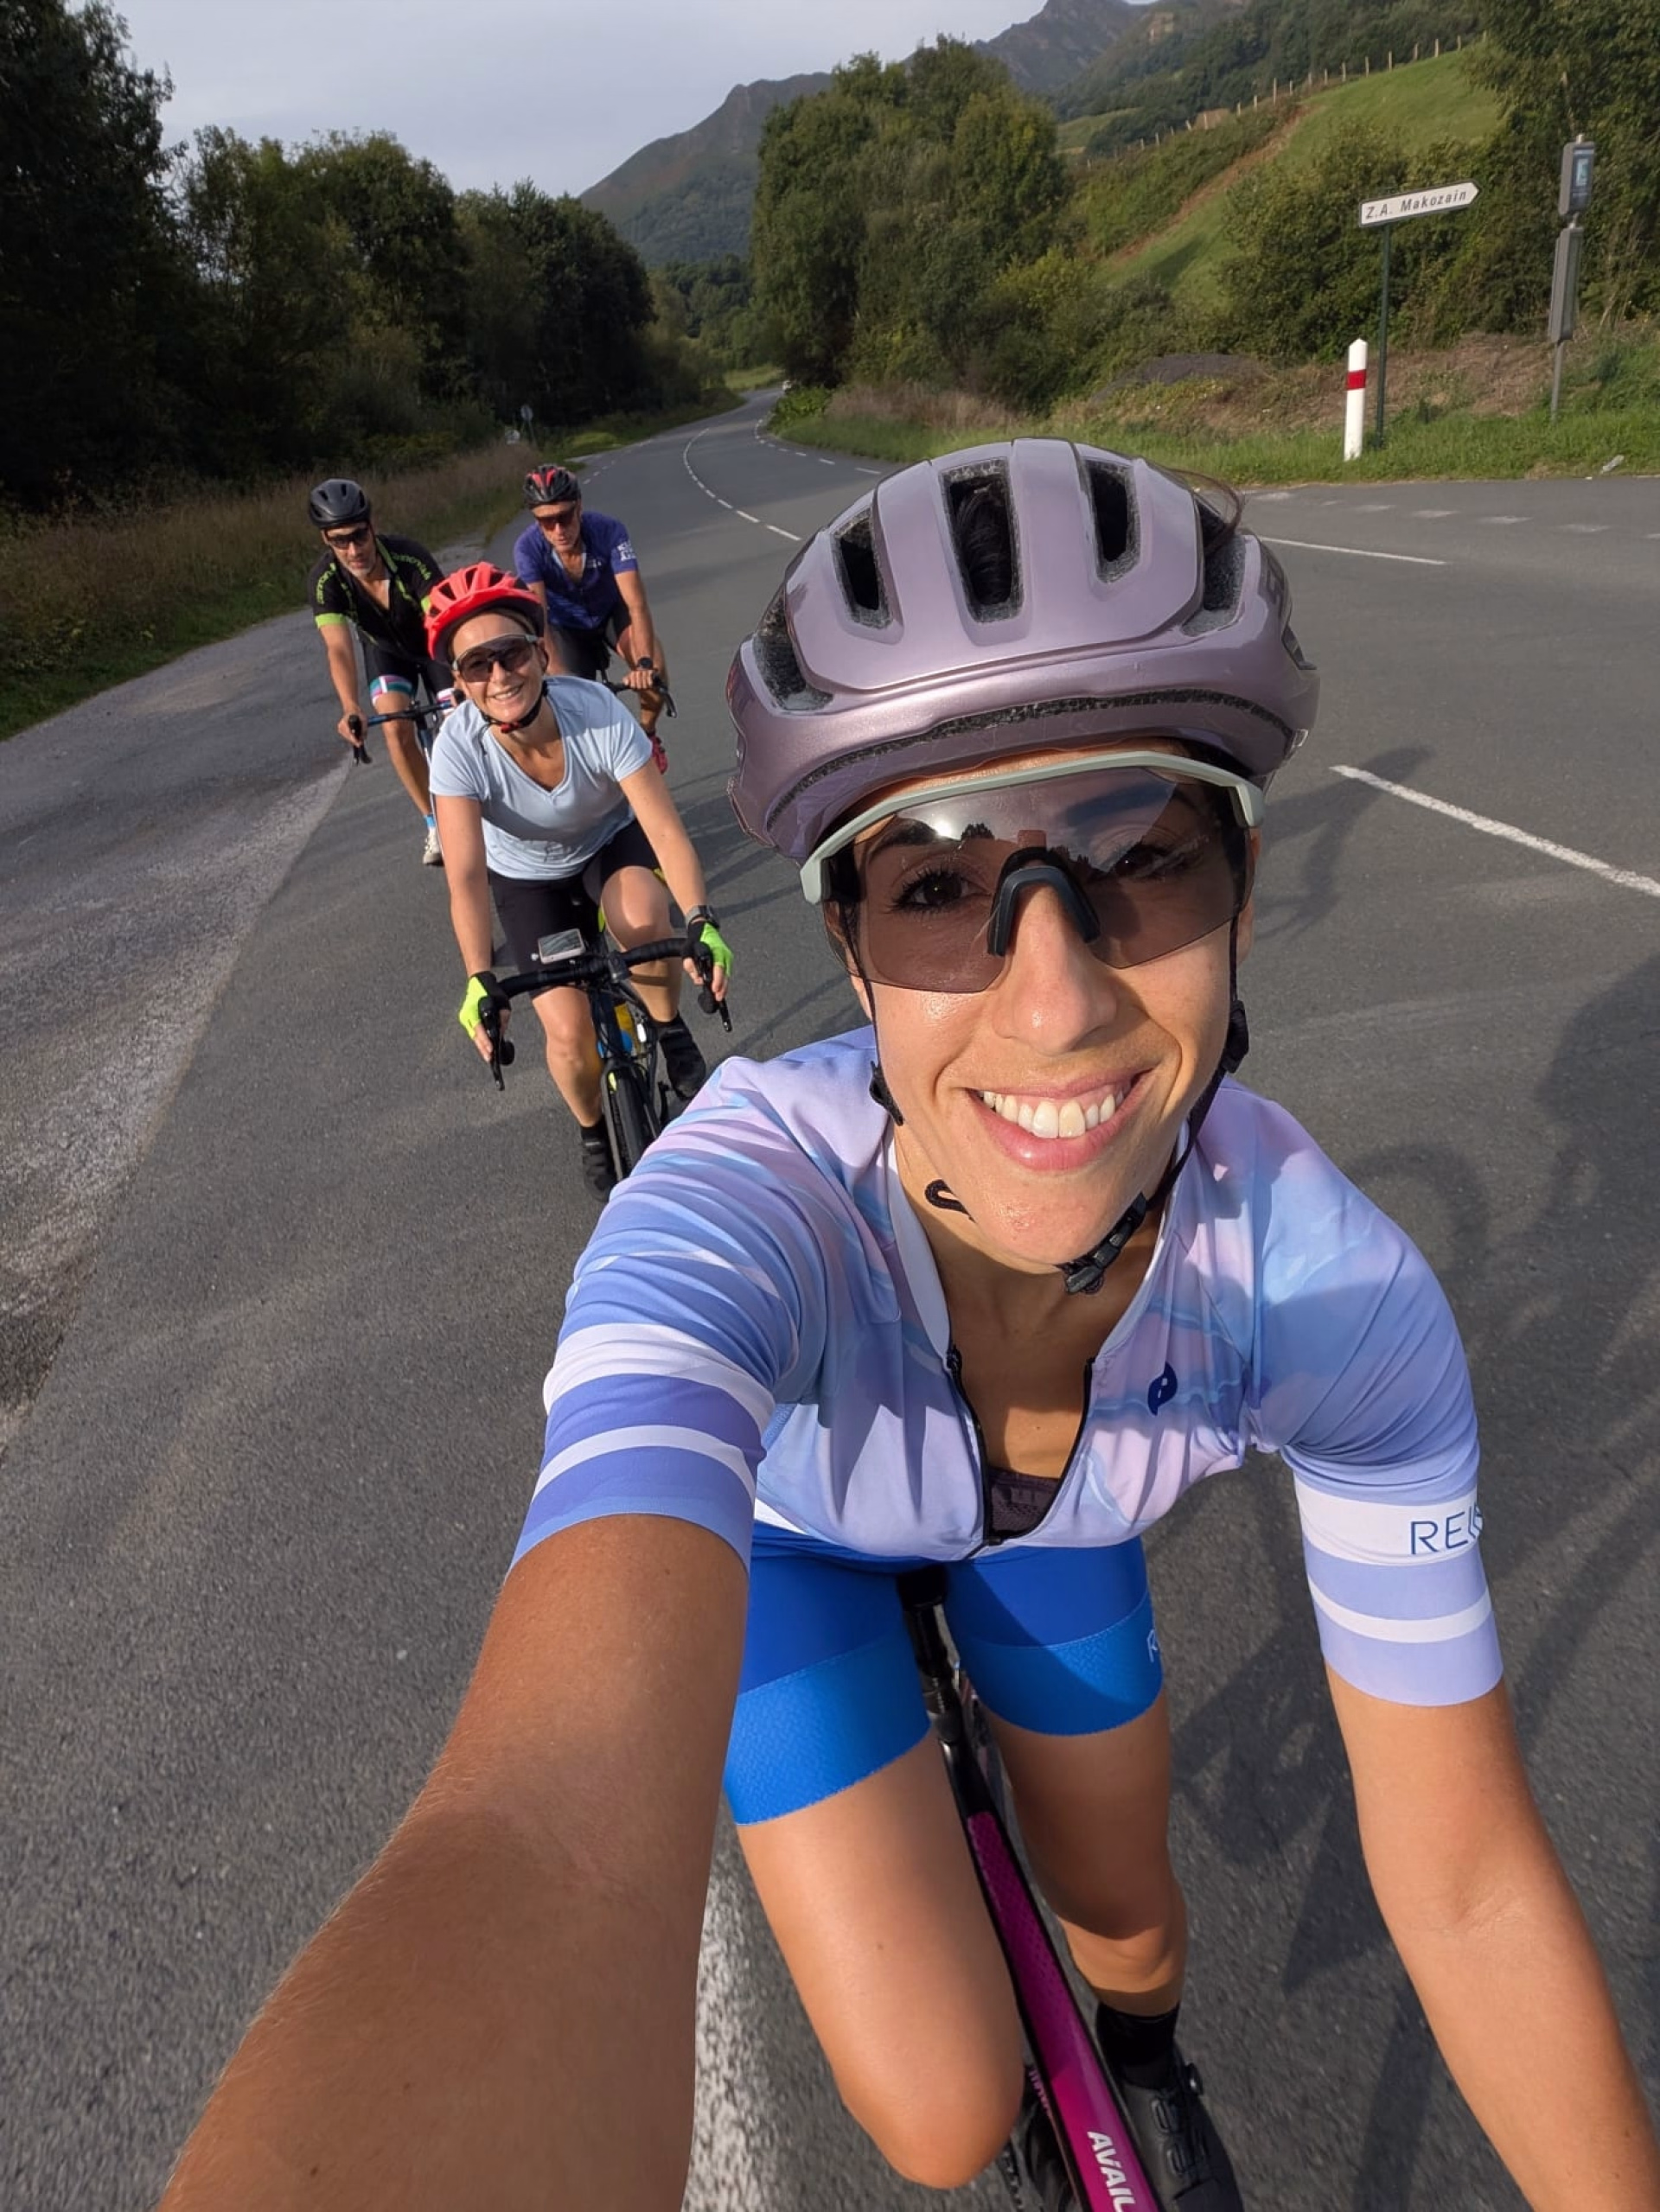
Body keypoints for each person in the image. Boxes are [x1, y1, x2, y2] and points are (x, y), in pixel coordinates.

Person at [159, 447, 1660, 2211]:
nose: (1057, 996)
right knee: (945, 2114)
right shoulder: (737, 1210)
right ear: (852, 950)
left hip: (1058, 1526)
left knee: (1135, 1931)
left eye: (1142, 858)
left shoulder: (1333, 1291)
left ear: (1245, 893)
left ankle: (1148, 2047)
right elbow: (544, 1833)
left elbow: (1471, 1879)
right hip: (793, 1546)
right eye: (940, 884)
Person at [421, 562, 731, 1195]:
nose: (500, 675)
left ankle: (669, 1026)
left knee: (645, 917)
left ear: (540, 651)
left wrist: (701, 918)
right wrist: (480, 979)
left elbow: (665, 831)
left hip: (607, 843)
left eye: (510, 653)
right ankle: (594, 1127)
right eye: (478, 665)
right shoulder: (457, 748)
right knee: (568, 1035)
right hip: (527, 879)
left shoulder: (594, 711)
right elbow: (468, 878)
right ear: (459, 681)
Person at [307, 476, 450, 865]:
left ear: (372, 526)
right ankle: (434, 823)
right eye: (340, 540)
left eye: (359, 535)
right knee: (394, 728)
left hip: (432, 644)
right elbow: (338, 648)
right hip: (386, 652)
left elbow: (442, 619)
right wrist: (350, 705)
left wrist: (464, 679)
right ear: (326, 540)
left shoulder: (408, 556)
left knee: (462, 717)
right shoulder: (325, 582)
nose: (353, 550)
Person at [512, 462, 672, 775]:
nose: (558, 530)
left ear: (579, 507)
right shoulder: (527, 548)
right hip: (564, 627)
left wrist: (643, 665)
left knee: (657, 670)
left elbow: (636, 604)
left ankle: (647, 735)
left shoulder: (609, 531)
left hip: (611, 612)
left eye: (565, 517)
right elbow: (538, 617)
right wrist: (558, 672)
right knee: (570, 700)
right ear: (536, 520)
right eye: (546, 522)